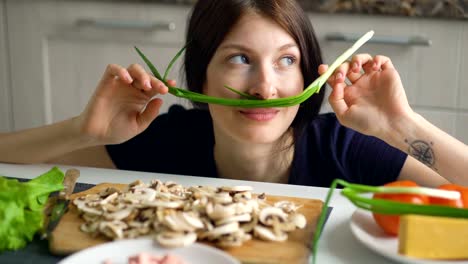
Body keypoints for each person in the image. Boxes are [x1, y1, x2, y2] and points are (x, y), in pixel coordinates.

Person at [0, 0, 466, 188]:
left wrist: (402, 126)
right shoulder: (169, 139)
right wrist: (83, 131)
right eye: (240, 59)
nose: (265, 88)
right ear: (199, 78)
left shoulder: (341, 146)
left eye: (286, 61)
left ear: (310, 76)